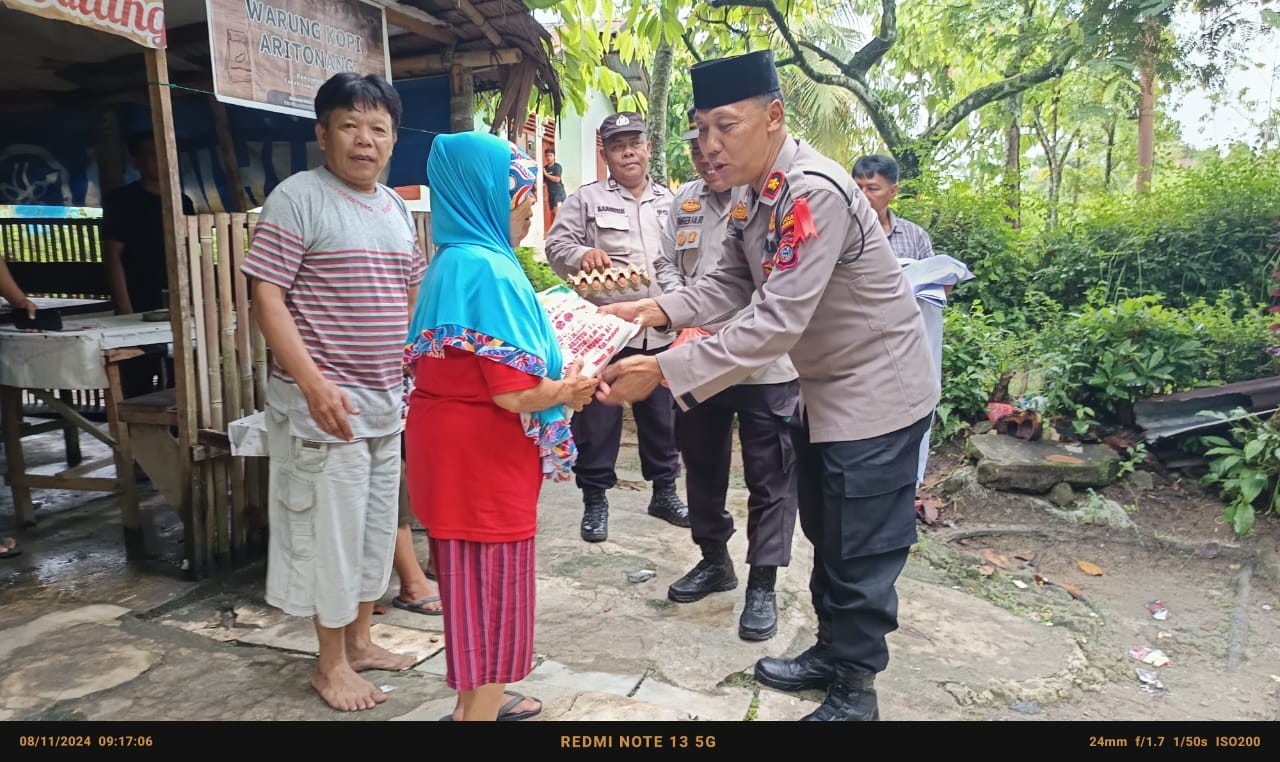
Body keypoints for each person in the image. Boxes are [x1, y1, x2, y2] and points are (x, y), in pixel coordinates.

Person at [595, 50, 940, 721]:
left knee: (860, 548)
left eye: (726, 125)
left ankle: (856, 693)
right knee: (826, 529)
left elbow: (776, 320)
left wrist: (662, 369)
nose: (709, 145)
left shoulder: (813, 191)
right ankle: (830, 653)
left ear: (774, 116)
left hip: (876, 396)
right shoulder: (759, 193)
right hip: (827, 393)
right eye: (700, 130)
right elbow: (727, 283)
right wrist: (653, 311)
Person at [240, 72, 422, 713]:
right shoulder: (297, 199)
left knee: (375, 529)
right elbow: (267, 297)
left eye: (378, 128)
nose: (364, 140)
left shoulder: (397, 207)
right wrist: (314, 383)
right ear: (323, 133)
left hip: (383, 402)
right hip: (324, 407)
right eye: (350, 125)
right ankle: (330, 664)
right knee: (330, 535)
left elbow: (408, 294)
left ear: (393, 139)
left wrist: (410, 371)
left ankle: (362, 640)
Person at [403, 133, 598, 721]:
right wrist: (570, 390)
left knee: (467, 588)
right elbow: (514, 391)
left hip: (451, 454)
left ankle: (474, 706)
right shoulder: (488, 269)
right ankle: (479, 715)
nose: (528, 207)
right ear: (486, 194)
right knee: (493, 598)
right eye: (518, 195)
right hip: (484, 463)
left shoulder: (454, 260)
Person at [653, 107, 801, 642]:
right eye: (699, 142)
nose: (709, 152)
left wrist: (712, 332)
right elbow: (667, 266)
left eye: (721, 137)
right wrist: (675, 315)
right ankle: (714, 559)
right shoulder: (685, 202)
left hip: (766, 365)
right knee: (702, 469)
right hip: (695, 355)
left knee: (771, 478)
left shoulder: (771, 195)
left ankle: (763, 582)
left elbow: (776, 294)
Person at [545, 112, 689, 543]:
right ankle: (595, 501)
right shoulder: (587, 200)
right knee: (599, 420)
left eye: (634, 142)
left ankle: (664, 492)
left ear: (647, 147)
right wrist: (582, 254)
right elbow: (556, 247)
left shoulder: (672, 202)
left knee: (663, 418)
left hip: (659, 329)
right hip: (607, 334)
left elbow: (685, 262)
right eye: (617, 144)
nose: (627, 151)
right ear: (605, 153)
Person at [852, 155, 945, 502]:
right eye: (858, 187)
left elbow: (934, 281)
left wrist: (939, 285)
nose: (863, 195)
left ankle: (905, 488)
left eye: (872, 188)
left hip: (906, 345)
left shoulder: (915, 237)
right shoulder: (845, 231)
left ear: (893, 191)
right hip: (861, 344)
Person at [101, 131, 196, 399]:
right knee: (137, 381)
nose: (161, 161)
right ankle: (136, 438)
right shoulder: (121, 202)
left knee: (181, 381)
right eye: (152, 155)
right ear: (137, 162)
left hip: (176, 305)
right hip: (138, 302)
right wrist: (125, 307)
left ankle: (179, 438)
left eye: (165, 155)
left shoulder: (182, 202)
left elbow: (189, 255)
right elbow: (113, 257)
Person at [543, 148, 566, 224]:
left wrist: (546, 174)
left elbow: (557, 179)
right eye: (547, 156)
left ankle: (561, 233)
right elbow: (543, 182)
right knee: (553, 214)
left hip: (559, 194)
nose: (548, 157)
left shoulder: (557, 167)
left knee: (557, 214)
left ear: (554, 157)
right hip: (551, 195)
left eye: (550, 155)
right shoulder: (545, 168)